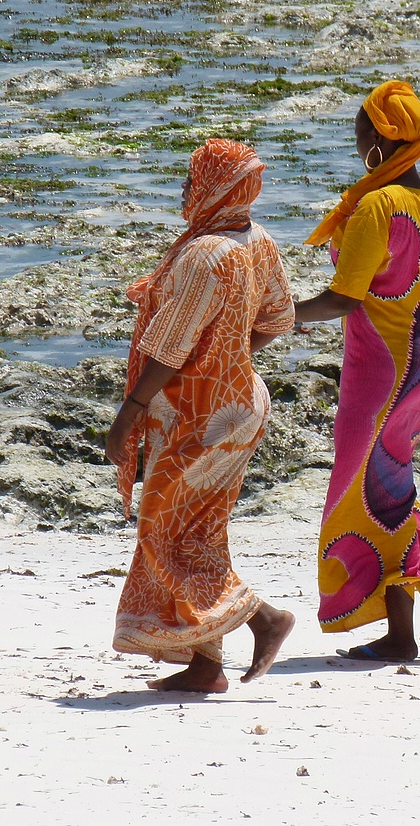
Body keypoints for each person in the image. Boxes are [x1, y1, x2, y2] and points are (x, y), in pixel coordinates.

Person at [105, 138, 297, 693]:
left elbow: (168, 347)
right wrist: (231, 355)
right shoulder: (256, 240)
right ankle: (205, 665)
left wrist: (127, 416)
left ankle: (264, 618)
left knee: (161, 529)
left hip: (200, 414)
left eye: (192, 180)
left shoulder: (205, 254)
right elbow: (278, 318)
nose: (185, 190)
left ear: (215, 186)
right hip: (241, 404)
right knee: (201, 532)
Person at [295, 80, 420, 662]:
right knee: (388, 488)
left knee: (360, 495)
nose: (355, 142)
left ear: (379, 140)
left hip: (381, 371)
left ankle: (404, 634)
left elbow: (344, 300)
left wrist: (272, 315)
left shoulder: (376, 206)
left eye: (358, 132)